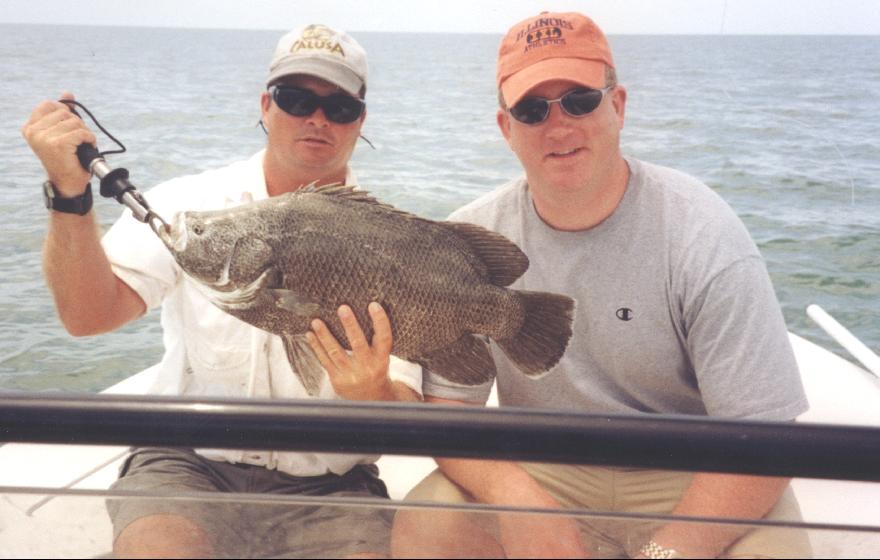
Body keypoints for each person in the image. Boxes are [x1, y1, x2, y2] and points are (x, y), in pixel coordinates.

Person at [391, 11, 811, 559]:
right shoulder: (468, 240)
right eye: (532, 109)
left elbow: (765, 440)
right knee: (426, 527)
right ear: (506, 128)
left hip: (698, 474)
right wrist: (520, 501)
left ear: (618, 106)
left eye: (581, 100)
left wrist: (665, 553)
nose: (558, 125)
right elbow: (449, 407)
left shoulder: (703, 233)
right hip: (544, 471)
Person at [22, 24, 421, 558]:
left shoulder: (395, 243)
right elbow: (87, 317)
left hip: (333, 487)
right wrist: (70, 195)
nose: (317, 118)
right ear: (266, 104)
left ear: (360, 120)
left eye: (340, 107)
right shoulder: (195, 209)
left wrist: (374, 394)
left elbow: (411, 404)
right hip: (185, 465)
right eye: (296, 98)